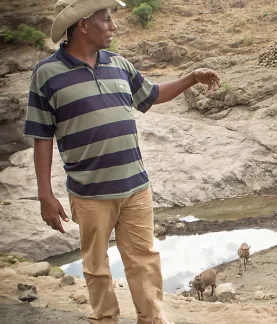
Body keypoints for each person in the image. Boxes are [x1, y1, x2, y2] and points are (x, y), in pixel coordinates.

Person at [23, 1, 221, 323]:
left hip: (135, 187)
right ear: (84, 24)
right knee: (96, 265)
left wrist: (191, 78)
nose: (113, 26)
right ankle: (105, 318)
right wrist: (45, 194)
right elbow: (42, 137)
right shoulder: (47, 74)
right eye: (106, 18)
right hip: (89, 193)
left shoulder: (118, 63)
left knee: (145, 260)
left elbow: (152, 95)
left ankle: (151, 319)